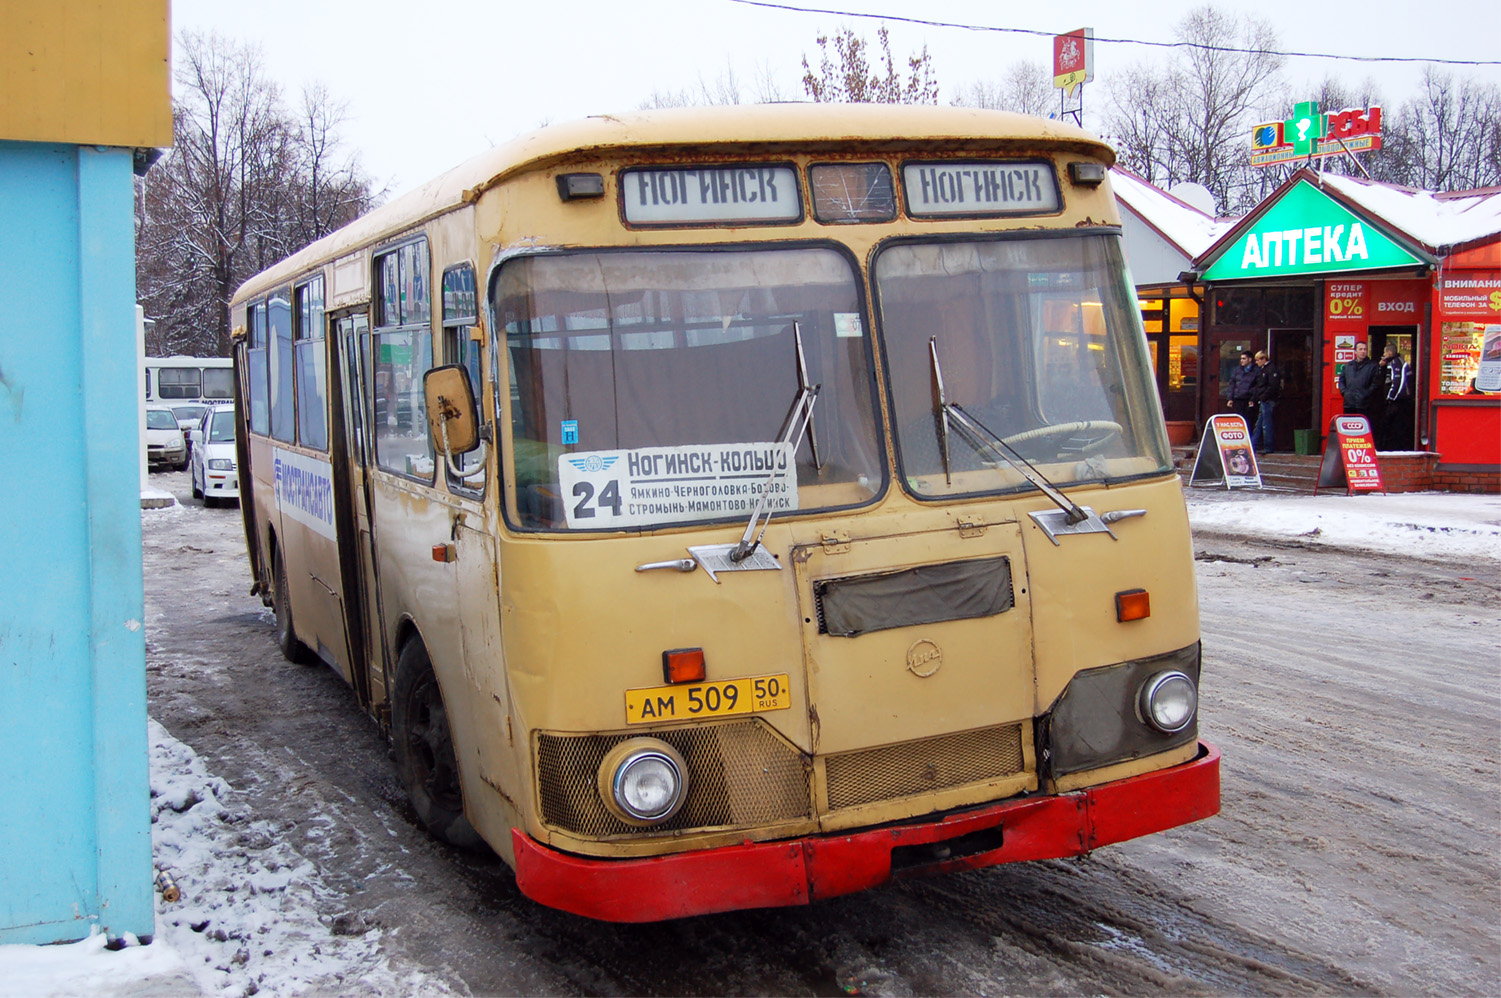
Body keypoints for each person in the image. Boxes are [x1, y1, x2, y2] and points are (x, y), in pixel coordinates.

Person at [1336, 340, 1382, 427]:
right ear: (1355, 351)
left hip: (1364, 405)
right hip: (1349, 403)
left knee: (1363, 428)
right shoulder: (1348, 366)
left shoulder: (1372, 366)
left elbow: (1375, 384)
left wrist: (1366, 393)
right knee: (1348, 427)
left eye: (1365, 349)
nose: (1363, 351)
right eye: (1360, 349)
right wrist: (1344, 392)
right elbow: (1341, 380)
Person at [1378, 343, 1412, 451]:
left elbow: (1398, 383)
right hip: (1397, 400)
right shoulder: (1392, 362)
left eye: (1384, 352)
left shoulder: (1396, 363)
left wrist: (1390, 398)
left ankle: (1394, 448)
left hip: (1398, 401)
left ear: (1389, 352)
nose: (1383, 354)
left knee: (1395, 426)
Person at [1250, 350, 1281, 453]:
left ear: (1264, 359)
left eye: (1258, 360)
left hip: (1268, 400)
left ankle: (1268, 447)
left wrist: (1263, 397)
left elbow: (1273, 386)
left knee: (1265, 424)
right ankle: (1253, 445)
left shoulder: (1271, 370)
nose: (1256, 362)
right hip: (1264, 399)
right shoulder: (1264, 370)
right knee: (1260, 424)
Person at [1226, 350, 1259, 424]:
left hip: (1249, 399)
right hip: (1238, 398)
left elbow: (1257, 386)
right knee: (1239, 420)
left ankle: (1249, 435)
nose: (1241, 360)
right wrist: (1230, 398)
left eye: (1244, 358)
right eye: (1241, 358)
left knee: (1249, 421)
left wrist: (1253, 399)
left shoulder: (1256, 370)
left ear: (1250, 359)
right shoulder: (1238, 370)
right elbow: (1232, 384)